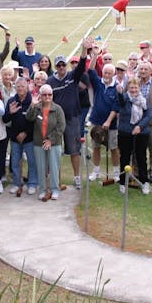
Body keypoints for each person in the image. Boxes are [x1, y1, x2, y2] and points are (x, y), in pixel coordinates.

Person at [47, 37, 91, 189]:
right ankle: (54, 179)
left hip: (72, 118)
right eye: (58, 65)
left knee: (74, 150)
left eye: (63, 65)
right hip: (56, 121)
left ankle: (77, 177)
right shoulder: (50, 82)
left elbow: (81, 66)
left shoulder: (73, 76)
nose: (61, 67)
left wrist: (84, 50)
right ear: (55, 67)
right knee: (55, 150)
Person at [86, 46, 120, 182]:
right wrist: (94, 56)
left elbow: (115, 107)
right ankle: (96, 171)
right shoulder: (98, 83)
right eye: (105, 72)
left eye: (109, 73)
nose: (106, 75)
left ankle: (117, 173)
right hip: (96, 120)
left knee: (113, 148)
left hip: (111, 124)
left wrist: (108, 121)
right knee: (96, 147)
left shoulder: (116, 87)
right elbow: (91, 70)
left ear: (113, 74)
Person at [26, 84, 66, 200]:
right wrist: (32, 105)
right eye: (44, 95)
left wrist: (51, 140)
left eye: (50, 94)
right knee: (41, 167)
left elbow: (61, 126)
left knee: (54, 167)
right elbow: (29, 118)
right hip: (39, 142)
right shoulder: (37, 107)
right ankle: (43, 189)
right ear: (40, 96)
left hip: (54, 143)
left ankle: (54, 190)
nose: (47, 97)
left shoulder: (58, 109)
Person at [116, 78, 152, 195]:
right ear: (128, 88)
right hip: (125, 133)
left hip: (141, 133)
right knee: (125, 158)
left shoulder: (144, 100)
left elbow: (148, 115)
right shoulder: (125, 98)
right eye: (131, 88)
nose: (133, 90)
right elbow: (121, 101)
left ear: (139, 88)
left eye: (135, 88)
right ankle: (123, 183)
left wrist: (140, 127)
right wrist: (119, 93)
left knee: (141, 158)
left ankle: (144, 182)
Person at [2, 76, 38, 195]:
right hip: (15, 138)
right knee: (15, 162)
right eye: (18, 87)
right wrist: (10, 113)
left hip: (29, 138)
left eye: (23, 86)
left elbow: (34, 121)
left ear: (27, 87)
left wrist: (25, 133)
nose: (20, 89)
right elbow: (5, 119)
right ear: (15, 88)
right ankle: (17, 183)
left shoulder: (32, 101)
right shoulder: (12, 100)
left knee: (32, 162)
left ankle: (32, 183)